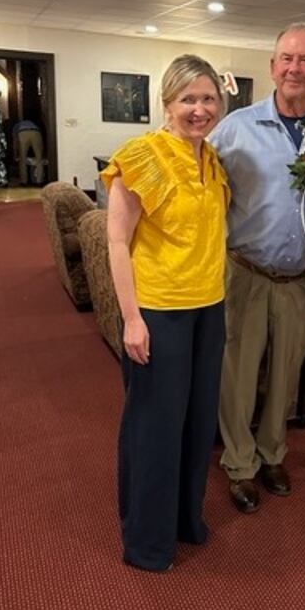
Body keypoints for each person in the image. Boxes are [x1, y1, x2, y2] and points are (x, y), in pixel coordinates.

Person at [101, 54, 231, 572]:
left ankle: (184, 520)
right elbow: (116, 241)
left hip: (209, 308)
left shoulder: (211, 157)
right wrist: (131, 319)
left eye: (207, 99)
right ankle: (147, 542)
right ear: (167, 103)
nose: (198, 110)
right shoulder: (141, 156)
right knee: (154, 427)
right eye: (188, 100)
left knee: (198, 425)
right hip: (160, 311)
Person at [206, 24, 305, 514]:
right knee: (237, 376)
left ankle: (272, 453)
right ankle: (239, 464)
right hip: (245, 272)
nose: (294, 68)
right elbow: (197, 177)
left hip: (303, 279)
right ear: (272, 67)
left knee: (285, 374)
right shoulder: (235, 127)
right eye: (286, 58)